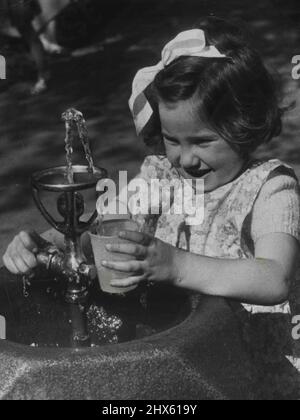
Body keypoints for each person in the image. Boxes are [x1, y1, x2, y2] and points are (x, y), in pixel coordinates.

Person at [3, 17, 300, 397]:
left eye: (203, 140)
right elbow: (100, 228)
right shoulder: (162, 178)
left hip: (253, 375)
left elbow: (275, 277)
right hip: (183, 365)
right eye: (172, 139)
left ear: (246, 124)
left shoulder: (271, 187)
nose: (185, 158)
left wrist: (174, 265)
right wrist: (42, 244)